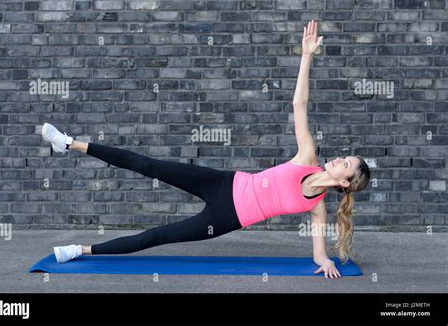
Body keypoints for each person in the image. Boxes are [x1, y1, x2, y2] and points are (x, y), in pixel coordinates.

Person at [43, 20, 370, 279]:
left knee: (157, 236)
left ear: (344, 182)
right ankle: (69, 143)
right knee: (150, 165)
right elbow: (299, 103)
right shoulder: (308, 158)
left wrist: (325, 260)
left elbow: (317, 254)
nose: (340, 158)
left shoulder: (317, 208)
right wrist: (306, 56)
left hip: (226, 216)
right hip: (225, 182)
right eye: (345, 156)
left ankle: (80, 250)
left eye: (347, 164)